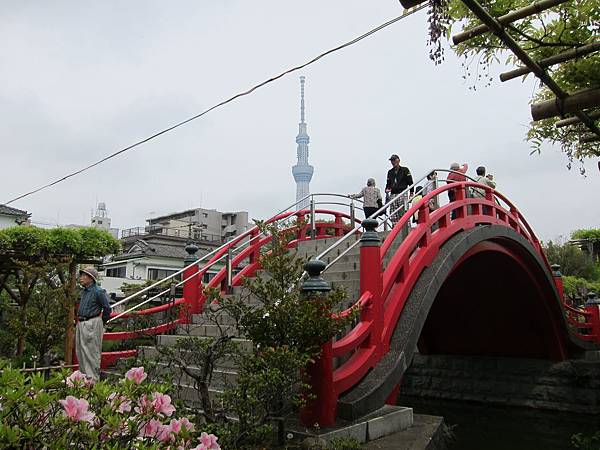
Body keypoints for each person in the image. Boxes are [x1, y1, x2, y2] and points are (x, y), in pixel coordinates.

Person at [76, 267, 111, 380]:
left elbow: (107, 308)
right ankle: (83, 378)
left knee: (91, 352)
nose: (81, 278)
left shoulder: (98, 291)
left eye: (84, 276)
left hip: (92, 322)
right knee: (81, 352)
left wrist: (101, 322)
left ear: (91, 278)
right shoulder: (85, 292)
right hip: (81, 322)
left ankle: (92, 379)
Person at [385, 154, 413, 226]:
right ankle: (395, 226)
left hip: (402, 192)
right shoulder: (390, 172)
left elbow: (410, 181)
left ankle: (406, 226)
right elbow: (388, 183)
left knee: (403, 210)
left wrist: (412, 192)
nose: (393, 162)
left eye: (394, 160)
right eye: (392, 160)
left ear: (398, 160)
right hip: (393, 193)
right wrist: (387, 189)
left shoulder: (405, 170)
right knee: (393, 212)